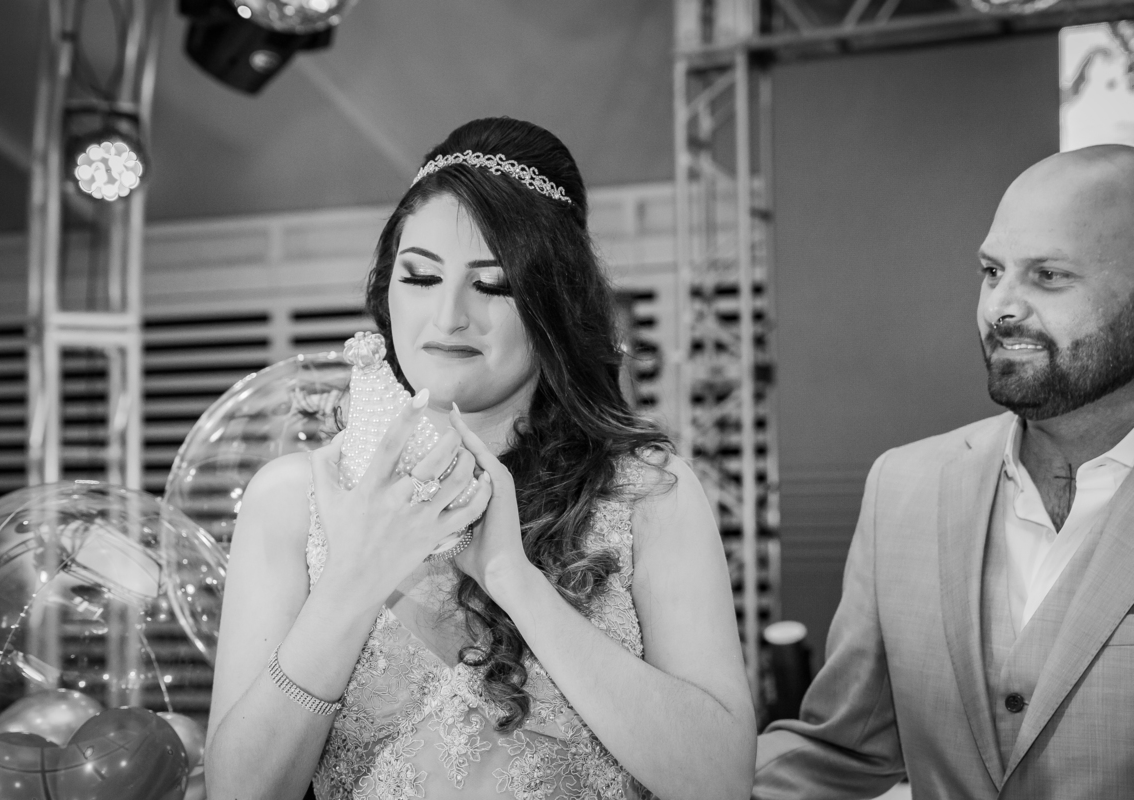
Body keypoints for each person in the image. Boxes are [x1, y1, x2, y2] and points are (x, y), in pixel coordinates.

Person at [205, 117, 757, 800]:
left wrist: (513, 580)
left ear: (553, 303)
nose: (447, 319)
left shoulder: (646, 493)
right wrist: (355, 575)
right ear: (387, 291)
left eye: (491, 285)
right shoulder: (293, 500)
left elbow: (722, 780)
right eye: (421, 278)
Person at [753, 144, 1134, 799]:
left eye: (1047, 275)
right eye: (992, 271)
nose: (1000, 307)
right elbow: (839, 753)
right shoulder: (903, 489)